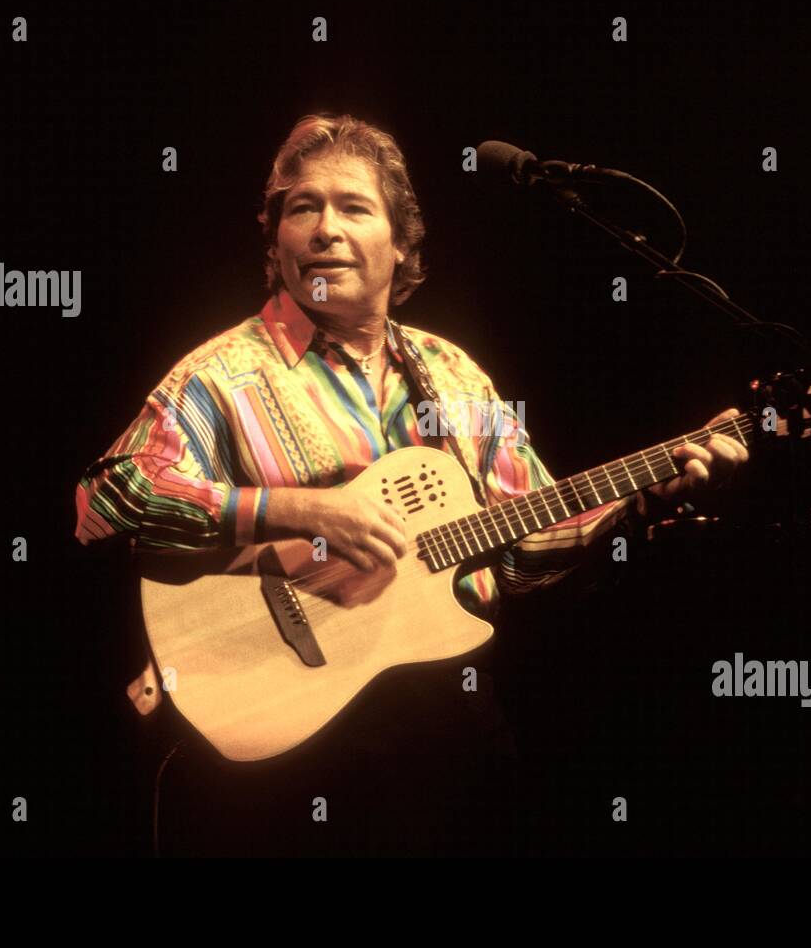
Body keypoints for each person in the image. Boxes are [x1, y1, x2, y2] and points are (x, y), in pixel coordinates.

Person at [74, 113, 747, 855]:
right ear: (275, 243)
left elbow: (524, 548)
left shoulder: (454, 376)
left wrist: (649, 493)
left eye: (353, 207)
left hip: (445, 746)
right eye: (302, 207)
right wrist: (295, 508)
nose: (325, 228)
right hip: (284, 755)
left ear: (401, 245)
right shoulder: (224, 374)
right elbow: (104, 502)